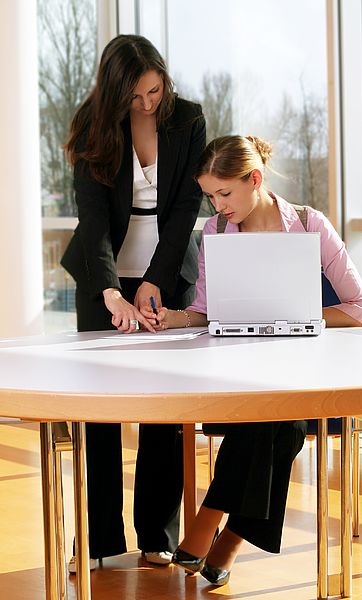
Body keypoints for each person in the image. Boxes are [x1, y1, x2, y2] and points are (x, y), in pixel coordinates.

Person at [155, 135, 362, 585]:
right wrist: (170, 318)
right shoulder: (215, 232)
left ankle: (212, 521)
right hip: (237, 369)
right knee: (280, 425)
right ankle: (228, 539)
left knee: (275, 418)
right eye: (210, 195)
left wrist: (294, 315)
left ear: (254, 179)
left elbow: (359, 309)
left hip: (300, 370)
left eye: (225, 193)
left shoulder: (311, 225)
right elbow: (206, 309)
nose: (217, 206)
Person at [60, 34, 206, 572]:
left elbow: (188, 206)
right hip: (103, 278)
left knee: (162, 409)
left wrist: (155, 282)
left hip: (166, 274)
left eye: (154, 90)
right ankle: (99, 541)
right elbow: (93, 220)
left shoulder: (187, 118)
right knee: (98, 410)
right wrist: (111, 292)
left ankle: (156, 535)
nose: (147, 104)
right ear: (114, 93)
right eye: (136, 97)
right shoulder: (91, 125)